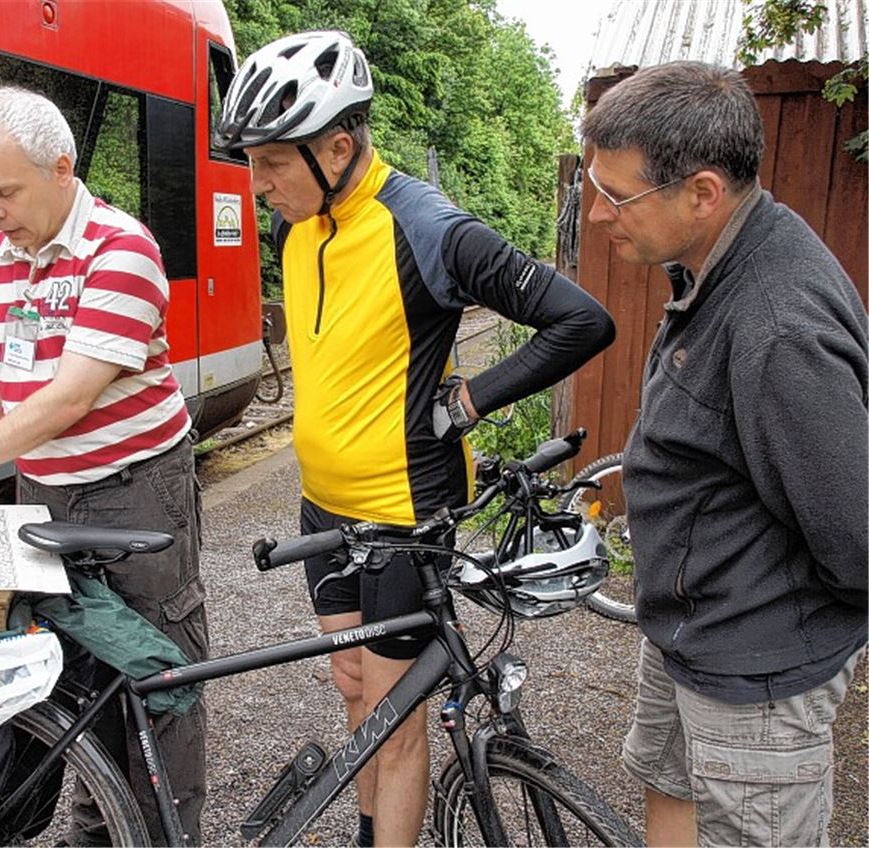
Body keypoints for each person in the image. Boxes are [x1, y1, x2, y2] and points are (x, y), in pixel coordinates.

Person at [215, 31, 615, 846]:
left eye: (271, 163)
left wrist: (471, 400)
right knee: (356, 689)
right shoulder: (300, 230)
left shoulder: (428, 226)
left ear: (337, 146)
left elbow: (581, 319)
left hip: (404, 518)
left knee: (396, 723)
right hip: (321, 512)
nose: (257, 186)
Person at [0, 87, 208, 845]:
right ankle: (94, 823)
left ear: (62, 169)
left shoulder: (123, 251)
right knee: (63, 663)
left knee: (158, 666)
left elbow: (70, 397)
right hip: (41, 486)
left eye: (5, 191)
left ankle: (161, 833)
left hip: (134, 487)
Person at [581, 61, 868, 847]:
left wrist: (774, 619)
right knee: (667, 786)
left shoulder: (777, 326)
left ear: (702, 192)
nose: (597, 213)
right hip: (689, 632)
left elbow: (858, 538)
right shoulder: (718, 260)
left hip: (755, 670)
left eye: (616, 194)